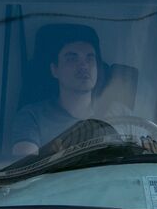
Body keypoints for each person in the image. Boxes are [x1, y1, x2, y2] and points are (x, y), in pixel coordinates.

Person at [10, 24, 128, 156]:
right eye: (72, 58)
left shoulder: (121, 113)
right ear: (55, 70)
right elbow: (26, 170)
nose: (84, 65)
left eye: (90, 58)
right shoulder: (32, 117)